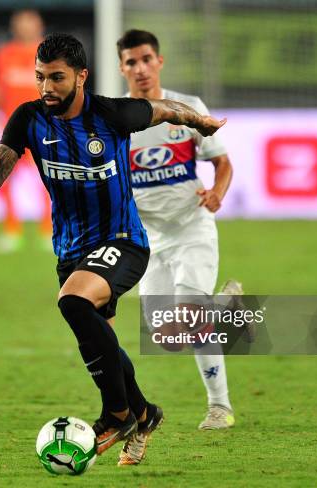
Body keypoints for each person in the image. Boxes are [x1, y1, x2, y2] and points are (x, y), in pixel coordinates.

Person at [0, 34, 226, 460]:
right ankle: (145, 414)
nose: (47, 87)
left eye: (57, 78)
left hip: (123, 240)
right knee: (102, 343)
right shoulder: (28, 118)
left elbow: (168, 111)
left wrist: (201, 123)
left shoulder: (112, 113)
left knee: (72, 301)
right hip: (71, 250)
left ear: (81, 76)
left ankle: (117, 414)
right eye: (40, 77)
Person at [117, 29, 240, 450]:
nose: (141, 68)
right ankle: (223, 308)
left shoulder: (187, 110)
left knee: (191, 311)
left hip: (191, 227)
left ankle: (219, 408)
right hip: (149, 238)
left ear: (160, 61)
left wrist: (216, 194)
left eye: (146, 58)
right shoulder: (117, 119)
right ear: (122, 69)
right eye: (132, 62)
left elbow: (222, 163)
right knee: (165, 335)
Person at [0, 9, 52, 252]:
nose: (25, 28)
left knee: (48, 179)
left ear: (39, 26)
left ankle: (49, 230)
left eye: (29, 23)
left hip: (43, 127)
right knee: (2, 176)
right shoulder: (4, 55)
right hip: (11, 128)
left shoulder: (51, 52)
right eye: (21, 24)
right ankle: (12, 230)